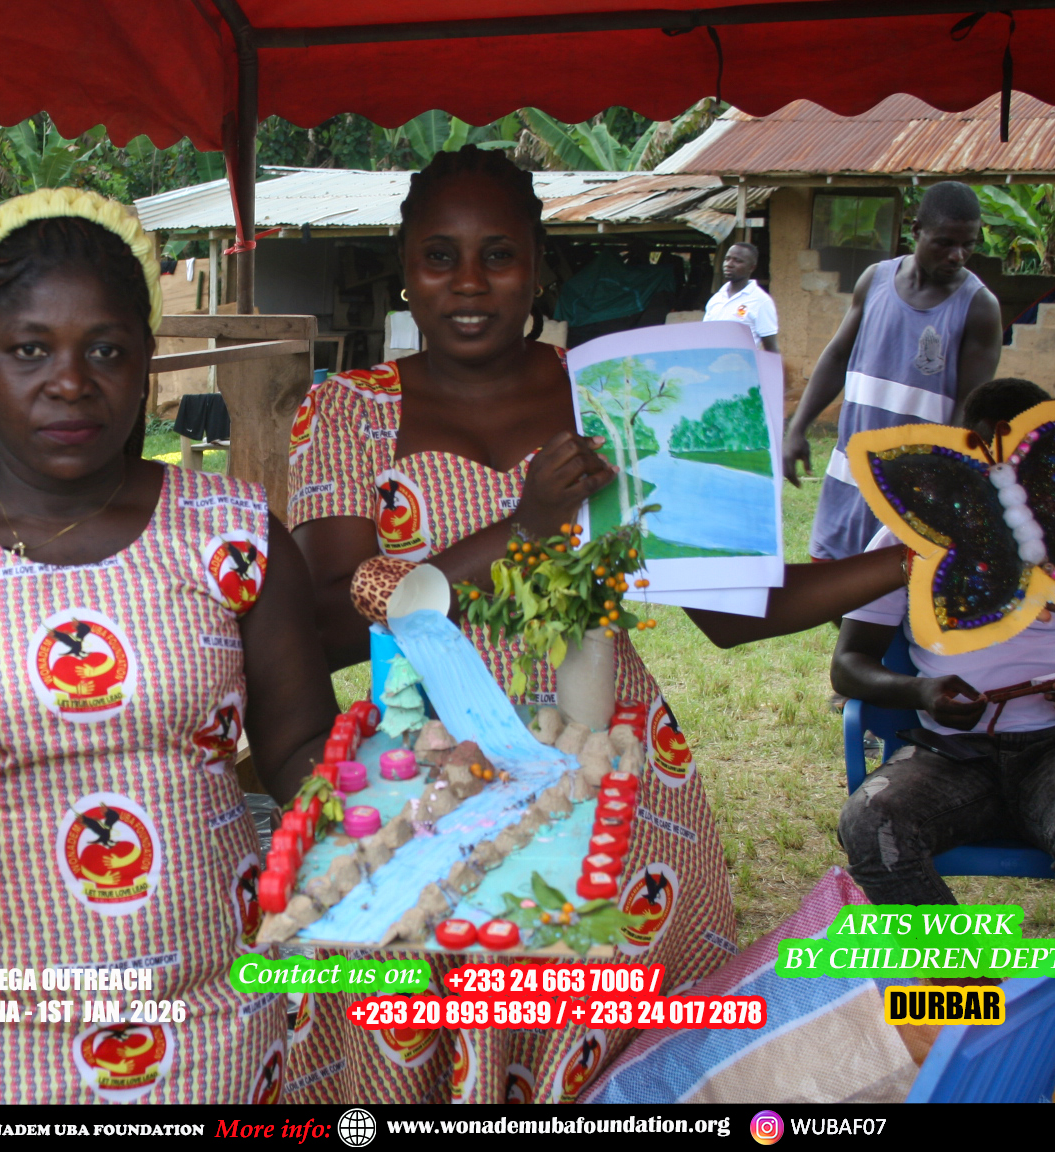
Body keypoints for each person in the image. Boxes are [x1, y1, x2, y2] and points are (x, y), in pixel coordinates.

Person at [285, 145, 912, 1105]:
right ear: (405, 267)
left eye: (498, 255)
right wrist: (523, 528)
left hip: (609, 775)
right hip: (427, 775)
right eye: (439, 256)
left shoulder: (619, 393)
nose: (468, 282)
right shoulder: (347, 411)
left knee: (604, 1062)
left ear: (539, 268)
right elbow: (331, 620)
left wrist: (915, 557)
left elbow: (731, 606)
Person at [0, 188, 340, 1104]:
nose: (70, 381)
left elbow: (299, 748)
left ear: (147, 361)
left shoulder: (236, 535)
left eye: (106, 349)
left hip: (201, 1028)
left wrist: (398, 818)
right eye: (30, 349)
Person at [834, 377, 1055, 939]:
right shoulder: (911, 541)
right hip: (950, 753)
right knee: (871, 823)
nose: (1001, 471)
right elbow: (848, 663)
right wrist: (921, 692)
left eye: (1017, 456)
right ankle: (964, 982)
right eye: (986, 454)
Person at [784, 181, 1003, 561]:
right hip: (849, 473)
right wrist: (798, 427)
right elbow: (837, 356)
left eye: (967, 244)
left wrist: (942, 476)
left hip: (915, 486)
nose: (957, 255)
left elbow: (970, 406)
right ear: (916, 231)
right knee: (830, 572)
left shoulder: (979, 307)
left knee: (892, 586)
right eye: (945, 243)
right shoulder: (875, 280)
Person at [703, 241, 779, 352]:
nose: (729, 264)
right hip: (712, 362)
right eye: (727, 259)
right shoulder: (716, 299)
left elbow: (771, 348)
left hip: (743, 363)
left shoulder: (761, 301)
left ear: (751, 267)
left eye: (737, 261)